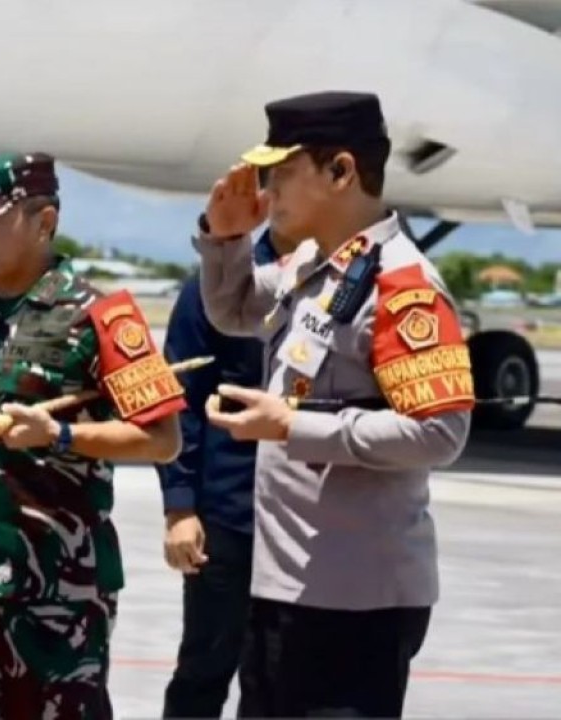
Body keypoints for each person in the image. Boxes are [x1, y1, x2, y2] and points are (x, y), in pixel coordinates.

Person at [193, 91, 474, 717]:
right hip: (288, 584)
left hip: (355, 599)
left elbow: (441, 432)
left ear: (341, 172)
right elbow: (234, 307)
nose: (269, 192)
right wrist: (225, 239)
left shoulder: (402, 286)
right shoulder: (316, 265)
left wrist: (295, 426)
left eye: (282, 174)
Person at [0, 152, 187, 719]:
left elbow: (162, 439)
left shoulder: (103, 314)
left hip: (56, 594)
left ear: (45, 222)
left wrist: (59, 435)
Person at [155, 227, 296, 718]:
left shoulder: (332, 287)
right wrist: (179, 507)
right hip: (228, 515)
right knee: (204, 666)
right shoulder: (216, 285)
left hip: (307, 523)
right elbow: (179, 401)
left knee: (281, 675)